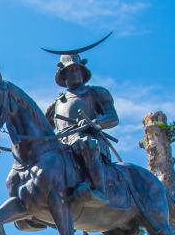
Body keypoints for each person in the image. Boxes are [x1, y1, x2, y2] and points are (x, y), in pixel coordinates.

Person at [44, 52, 119, 206]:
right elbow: (44, 129)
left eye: (78, 70)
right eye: (71, 70)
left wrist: (93, 123)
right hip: (63, 145)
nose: (75, 73)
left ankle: (99, 190)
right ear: (63, 75)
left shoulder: (96, 93)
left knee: (86, 143)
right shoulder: (56, 104)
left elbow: (113, 118)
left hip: (88, 141)